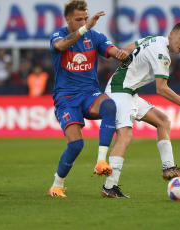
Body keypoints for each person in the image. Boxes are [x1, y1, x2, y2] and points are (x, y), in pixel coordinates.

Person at [101, 22, 180, 198]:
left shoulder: (153, 39)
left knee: (163, 121)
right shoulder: (162, 52)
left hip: (128, 91)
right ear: (171, 34)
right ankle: (109, 186)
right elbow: (161, 89)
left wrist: (128, 61)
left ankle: (168, 168)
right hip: (120, 91)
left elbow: (125, 49)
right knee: (125, 135)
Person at [48, 0, 128, 197]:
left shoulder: (95, 37)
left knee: (109, 105)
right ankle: (57, 185)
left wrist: (121, 54)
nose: (84, 22)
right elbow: (61, 46)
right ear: (67, 19)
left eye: (85, 18)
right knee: (76, 145)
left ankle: (101, 161)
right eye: (78, 20)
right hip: (66, 98)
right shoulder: (58, 35)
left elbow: (112, 50)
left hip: (88, 94)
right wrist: (85, 28)